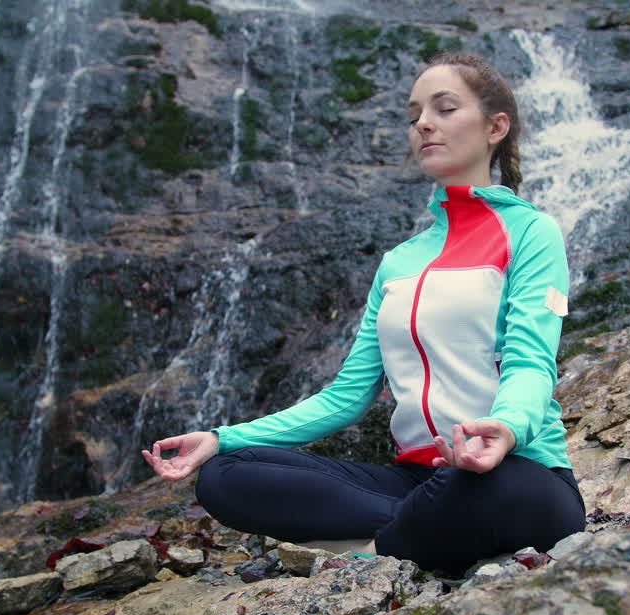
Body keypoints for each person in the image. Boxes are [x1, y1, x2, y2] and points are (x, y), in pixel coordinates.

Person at [143, 53, 586, 577]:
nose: (423, 123)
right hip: (414, 482)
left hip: (517, 473)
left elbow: (531, 362)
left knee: (479, 488)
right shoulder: (398, 263)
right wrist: (222, 437)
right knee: (225, 475)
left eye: (444, 109)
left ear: (495, 127)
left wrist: (507, 429)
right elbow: (344, 398)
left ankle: (380, 551)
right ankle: (413, 535)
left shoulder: (533, 233)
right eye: (414, 113)